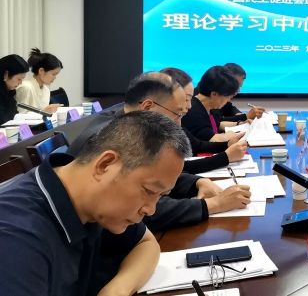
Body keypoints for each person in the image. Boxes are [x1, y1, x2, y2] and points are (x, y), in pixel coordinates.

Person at [0, 111, 189, 295]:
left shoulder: (92, 200)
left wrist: (116, 290)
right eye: (149, 191)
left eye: (160, 195)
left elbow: (146, 243)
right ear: (105, 165)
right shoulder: (16, 240)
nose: (151, 209)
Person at [69, 72, 251, 232]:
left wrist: (196, 182)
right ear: (148, 107)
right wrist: (213, 204)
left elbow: (151, 176)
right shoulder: (110, 138)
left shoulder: (129, 123)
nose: (179, 124)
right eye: (178, 114)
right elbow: (136, 210)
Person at [160, 67, 247, 172]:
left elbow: (197, 145)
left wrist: (227, 145)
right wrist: (226, 157)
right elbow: (179, 167)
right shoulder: (156, 127)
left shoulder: (174, 120)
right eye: (186, 99)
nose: (189, 106)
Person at [182, 66, 240, 141]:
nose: (228, 101)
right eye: (228, 97)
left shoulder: (207, 105)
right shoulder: (194, 111)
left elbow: (217, 124)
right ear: (214, 94)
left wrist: (239, 124)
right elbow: (211, 139)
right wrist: (231, 135)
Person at [16, 48, 64, 113]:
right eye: (53, 74)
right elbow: (18, 116)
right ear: (41, 71)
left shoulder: (46, 89)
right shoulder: (26, 87)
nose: (55, 78)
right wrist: (44, 111)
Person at [0, 54, 30, 124]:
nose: (21, 83)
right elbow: (3, 120)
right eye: (19, 79)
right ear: (6, 74)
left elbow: (14, 116)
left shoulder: (10, 91)